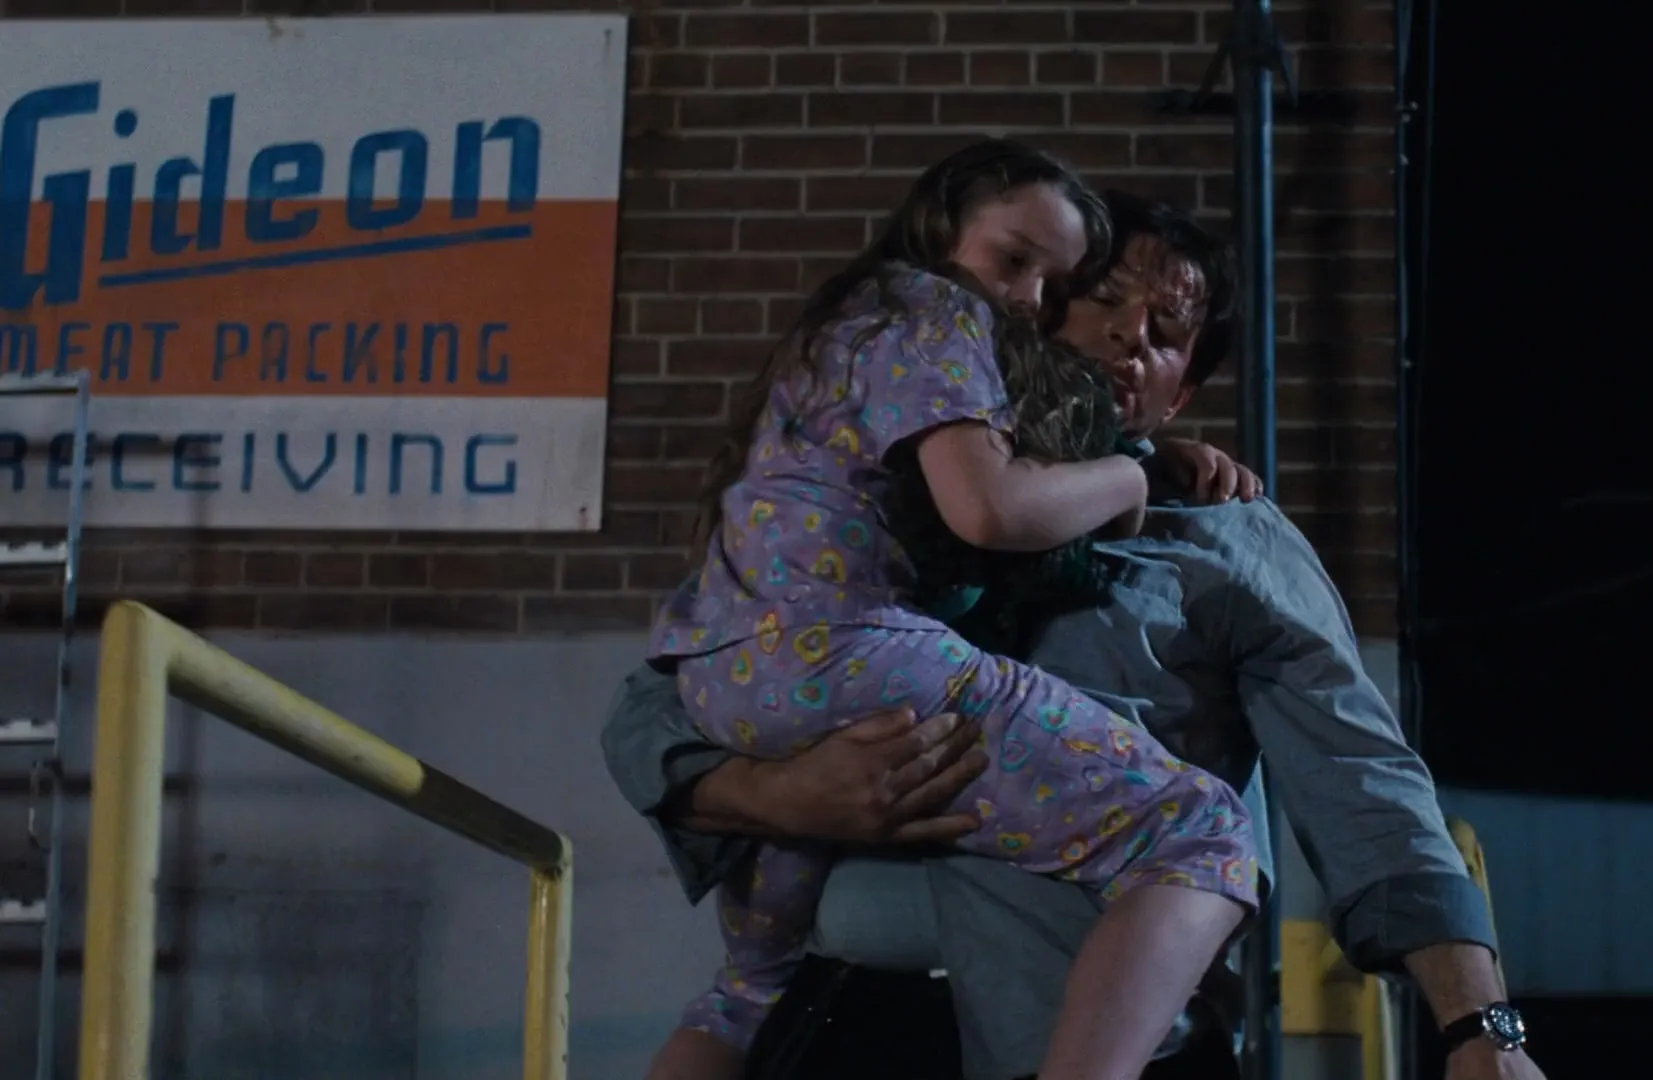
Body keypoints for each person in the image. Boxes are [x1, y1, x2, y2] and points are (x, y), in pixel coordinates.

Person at [607, 189, 1551, 1080]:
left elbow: (1361, 775)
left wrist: (1480, 1026)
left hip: (1094, 1039)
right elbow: (657, 706)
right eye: (1101, 299)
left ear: (1179, 397)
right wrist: (777, 796)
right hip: (849, 1021)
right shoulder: (889, 490)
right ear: (1023, 319)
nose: (1131, 334)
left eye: (1168, 332)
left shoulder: (1224, 539)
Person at [644, 141, 1266, 1080]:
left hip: (730, 675)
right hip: (846, 667)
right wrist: (1126, 476)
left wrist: (1138, 456)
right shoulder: (939, 317)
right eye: (1018, 263)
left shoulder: (852, 329)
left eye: (1051, 284)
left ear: (1185, 389)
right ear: (941, 228)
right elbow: (993, 509)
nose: (1026, 299)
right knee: (1206, 831)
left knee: (747, 989)